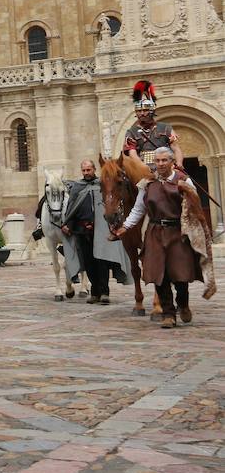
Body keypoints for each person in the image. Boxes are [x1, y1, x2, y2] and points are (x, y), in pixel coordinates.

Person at [116, 147, 216, 328]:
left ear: (172, 162)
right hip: (155, 232)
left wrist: (199, 230)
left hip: (178, 232)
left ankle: (183, 304)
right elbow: (139, 209)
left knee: (179, 274)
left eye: (164, 160)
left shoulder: (184, 181)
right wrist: (126, 226)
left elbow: (195, 208)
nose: (160, 164)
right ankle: (168, 314)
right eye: (158, 161)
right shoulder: (147, 183)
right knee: (159, 274)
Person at [61, 160, 132, 304]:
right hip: (82, 230)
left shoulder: (102, 184)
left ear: (94, 169)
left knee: (102, 261)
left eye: (89, 170)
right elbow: (71, 208)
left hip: (100, 230)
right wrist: (68, 224)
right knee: (88, 263)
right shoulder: (77, 187)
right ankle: (95, 292)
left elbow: (110, 204)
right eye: (84, 170)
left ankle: (105, 292)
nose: (86, 173)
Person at [124, 81, 183, 170]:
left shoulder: (165, 128)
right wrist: (143, 167)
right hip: (143, 168)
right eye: (139, 111)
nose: (142, 113)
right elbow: (132, 153)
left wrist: (179, 163)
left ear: (152, 111)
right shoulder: (132, 132)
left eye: (145, 110)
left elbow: (175, 148)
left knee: (185, 181)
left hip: (166, 166)